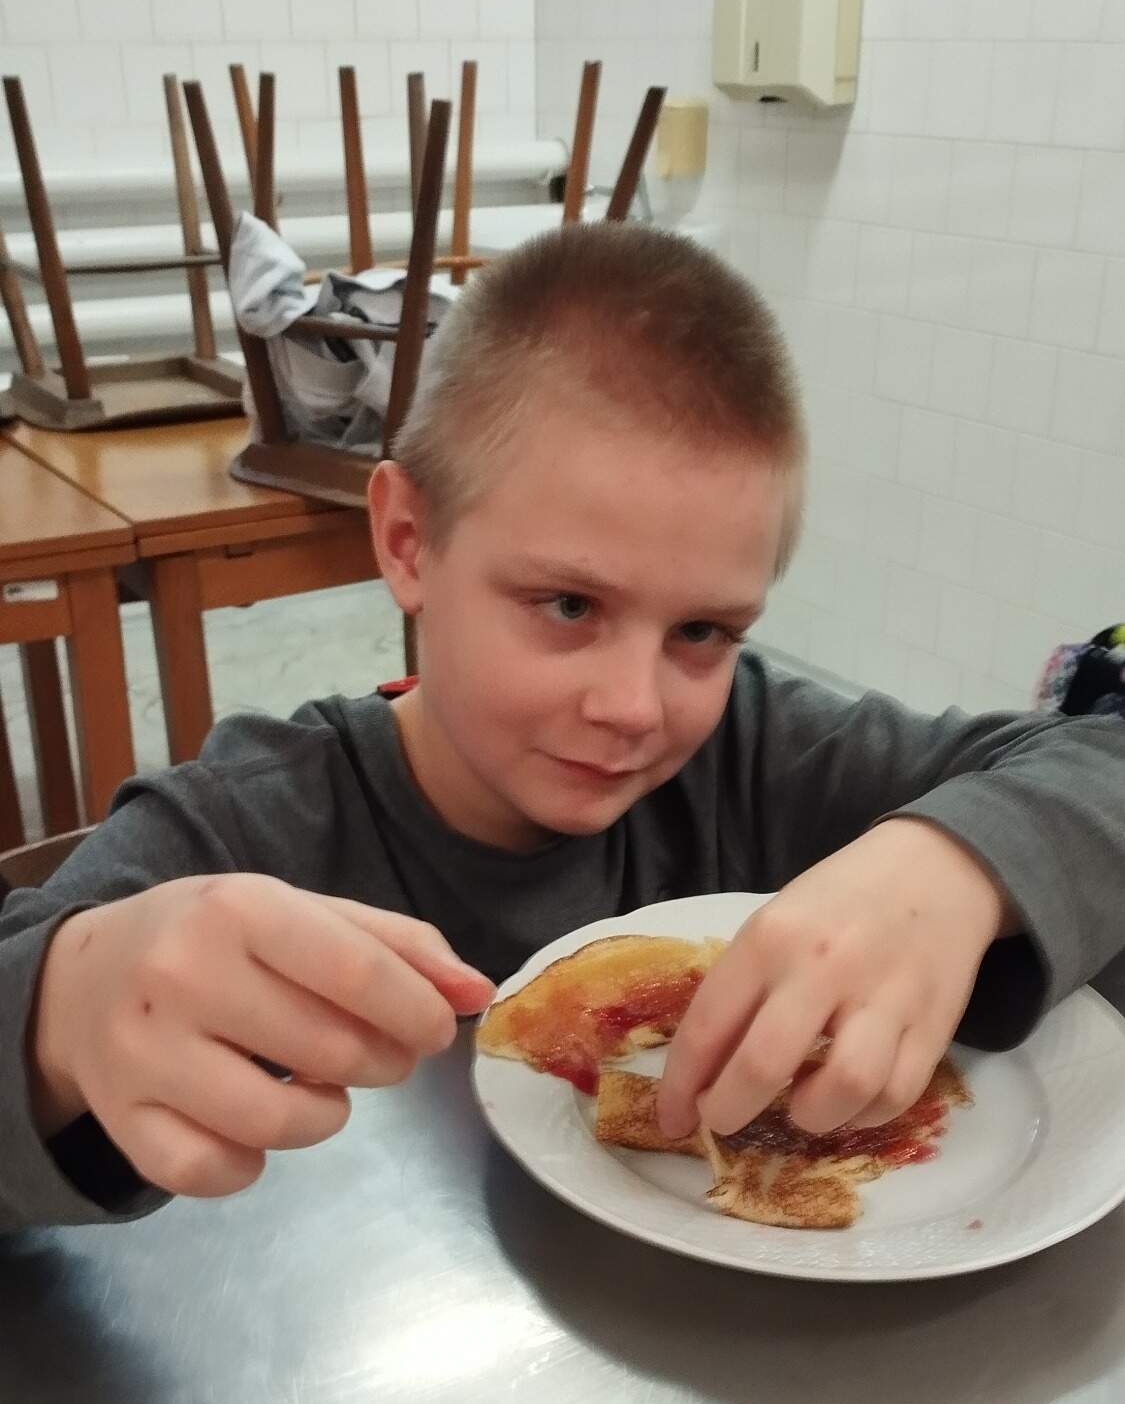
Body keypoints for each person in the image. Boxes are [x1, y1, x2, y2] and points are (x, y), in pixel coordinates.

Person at [2, 224, 1123, 1230]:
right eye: (569, 606)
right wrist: (62, 1015)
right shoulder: (247, 827)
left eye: (702, 630)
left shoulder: (757, 751)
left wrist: (952, 866)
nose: (634, 706)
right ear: (407, 542)